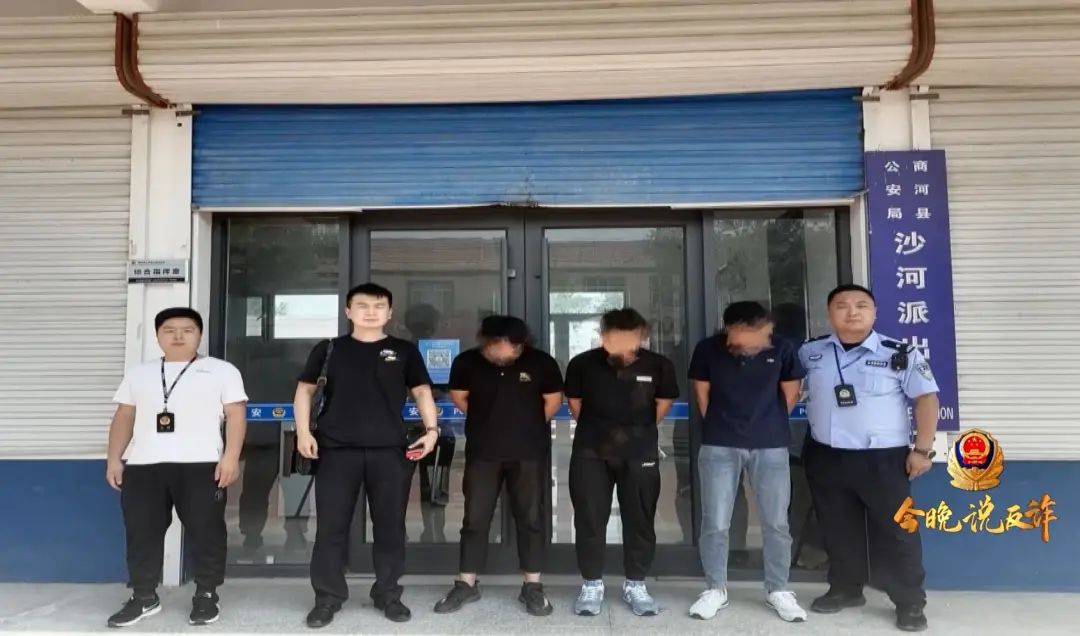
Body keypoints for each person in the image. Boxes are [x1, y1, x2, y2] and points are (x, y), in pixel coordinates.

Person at [294, 283, 439, 627]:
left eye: (378, 306)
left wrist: (432, 431)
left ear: (389, 312)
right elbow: (304, 391)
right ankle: (327, 598)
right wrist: (303, 432)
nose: (370, 312)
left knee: (390, 527)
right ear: (348, 311)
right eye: (362, 305)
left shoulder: (403, 351)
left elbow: (421, 392)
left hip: (390, 451)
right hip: (335, 451)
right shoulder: (329, 349)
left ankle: (388, 594)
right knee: (331, 528)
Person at [798, 284, 939, 633]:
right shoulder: (810, 352)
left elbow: (926, 399)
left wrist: (922, 450)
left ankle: (909, 602)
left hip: (882, 459)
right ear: (829, 313)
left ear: (875, 313)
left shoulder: (900, 353)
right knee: (837, 527)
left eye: (862, 305)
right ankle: (846, 589)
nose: (852, 312)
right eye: (842, 305)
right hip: (826, 455)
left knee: (897, 531)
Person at [105, 307, 248, 628]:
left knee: (206, 532)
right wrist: (114, 458)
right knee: (142, 532)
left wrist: (230, 457)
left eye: (187, 330)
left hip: (202, 465)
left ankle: (206, 594)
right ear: (158, 336)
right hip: (144, 465)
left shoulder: (222, 371)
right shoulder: (140, 373)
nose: (179, 336)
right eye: (169, 330)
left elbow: (236, 415)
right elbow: (124, 416)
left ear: (199, 335)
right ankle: (143, 596)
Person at [433, 316, 564, 617]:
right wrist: (490, 424)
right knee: (475, 518)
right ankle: (467, 583)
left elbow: (553, 402)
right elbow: (460, 398)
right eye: (503, 345)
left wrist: (524, 427)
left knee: (531, 517)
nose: (510, 351)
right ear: (487, 342)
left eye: (516, 346)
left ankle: (532, 585)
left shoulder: (541, 363)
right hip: (483, 453)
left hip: (528, 452)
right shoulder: (466, 363)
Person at [687, 301, 808, 623]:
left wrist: (765, 423)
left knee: (776, 521)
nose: (760, 338)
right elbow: (702, 395)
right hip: (719, 443)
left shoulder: (781, 348)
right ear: (732, 329)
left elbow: (790, 393)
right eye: (752, 332)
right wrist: (723, 425)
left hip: (771, 445)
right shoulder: (707, 350)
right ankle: (715, 588)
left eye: (763, 331)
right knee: (716, 521)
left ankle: (778, 589)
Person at [564, 308, 679, 617]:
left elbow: (663, 403)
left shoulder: (659, 365)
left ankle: (636, 584)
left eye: (630, 339)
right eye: (615, 339)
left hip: (640, 453)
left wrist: (635, 431)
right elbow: (575, 404)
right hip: (591, 453)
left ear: (642, 337)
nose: (623, 346)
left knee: (640, 519)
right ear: (603, 337)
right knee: (589, 519)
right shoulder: (582, 364)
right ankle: (591, 584)